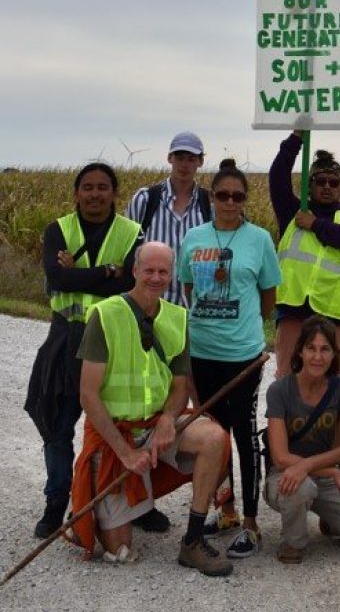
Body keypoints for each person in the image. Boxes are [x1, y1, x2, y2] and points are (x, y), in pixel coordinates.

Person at [72, 242, 235, 576]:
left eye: (163, 271)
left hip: (155, 425)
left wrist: (168, 419)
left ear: (172, 275)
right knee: (120, 551)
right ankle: (93, 512)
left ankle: (192, 540)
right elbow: (88, 396)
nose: (156, 277)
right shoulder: (106, 315)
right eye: (149, 270)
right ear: (135, 271)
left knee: (215, 438)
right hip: (115, 436)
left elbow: (179, 386)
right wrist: (126, 453)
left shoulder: (177, 318)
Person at [25, 162, 141, 539]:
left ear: (114, 193)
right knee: (57, 424)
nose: (95, 194)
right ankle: (56, 500)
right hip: (64, 338)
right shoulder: (58, 229)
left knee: (122, 425)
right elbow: (57, 278)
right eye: (87, 187)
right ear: (76, 193)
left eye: (103, 187)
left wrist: (84, 273)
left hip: (112, 341)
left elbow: (135, 283)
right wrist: (109, 271)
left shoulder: (131, 232)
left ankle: (133, 502)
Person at [178, 158, 281, 557]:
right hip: (202, 353)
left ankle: (252, 524)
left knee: (242, 435)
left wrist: (245, 324)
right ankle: (226, 511)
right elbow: (189, 288)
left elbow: (268, 297)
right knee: (212, 437)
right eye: (222, 195)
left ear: (245, 200)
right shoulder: (194, 237)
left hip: (242, 356)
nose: (230, 202)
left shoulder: (258, 239)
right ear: (212, 197)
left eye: (238, 196)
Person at [264, 315, 340, 563]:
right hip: (285, 476)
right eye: (311, 348)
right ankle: (293, 543)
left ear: (333, 355)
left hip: (324, 475)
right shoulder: (279, 390)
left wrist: (319, 469)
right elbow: (279, 456)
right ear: (299, 352)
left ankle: (330, 519)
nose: (317, 357)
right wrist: (333, 472)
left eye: (324, 349)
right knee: (302, 487)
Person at [269, 133, 340, 378]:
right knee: (287, 379)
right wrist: (295, 140)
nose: (327, 186)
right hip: (294, 308)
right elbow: (277, 178)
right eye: (320, 181)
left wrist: (315, 225)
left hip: (337, 312)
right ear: (309, 184)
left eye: (333, 182)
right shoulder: (293, 212)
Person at [125, 131, 211, 308]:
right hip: (151, 308)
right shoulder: (145, 200)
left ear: (200, 162)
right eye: (179, 157)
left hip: (196, 311)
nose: (184, 164)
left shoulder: (210, 204)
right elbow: (126, 249)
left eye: (191, 158)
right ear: (169, 158)